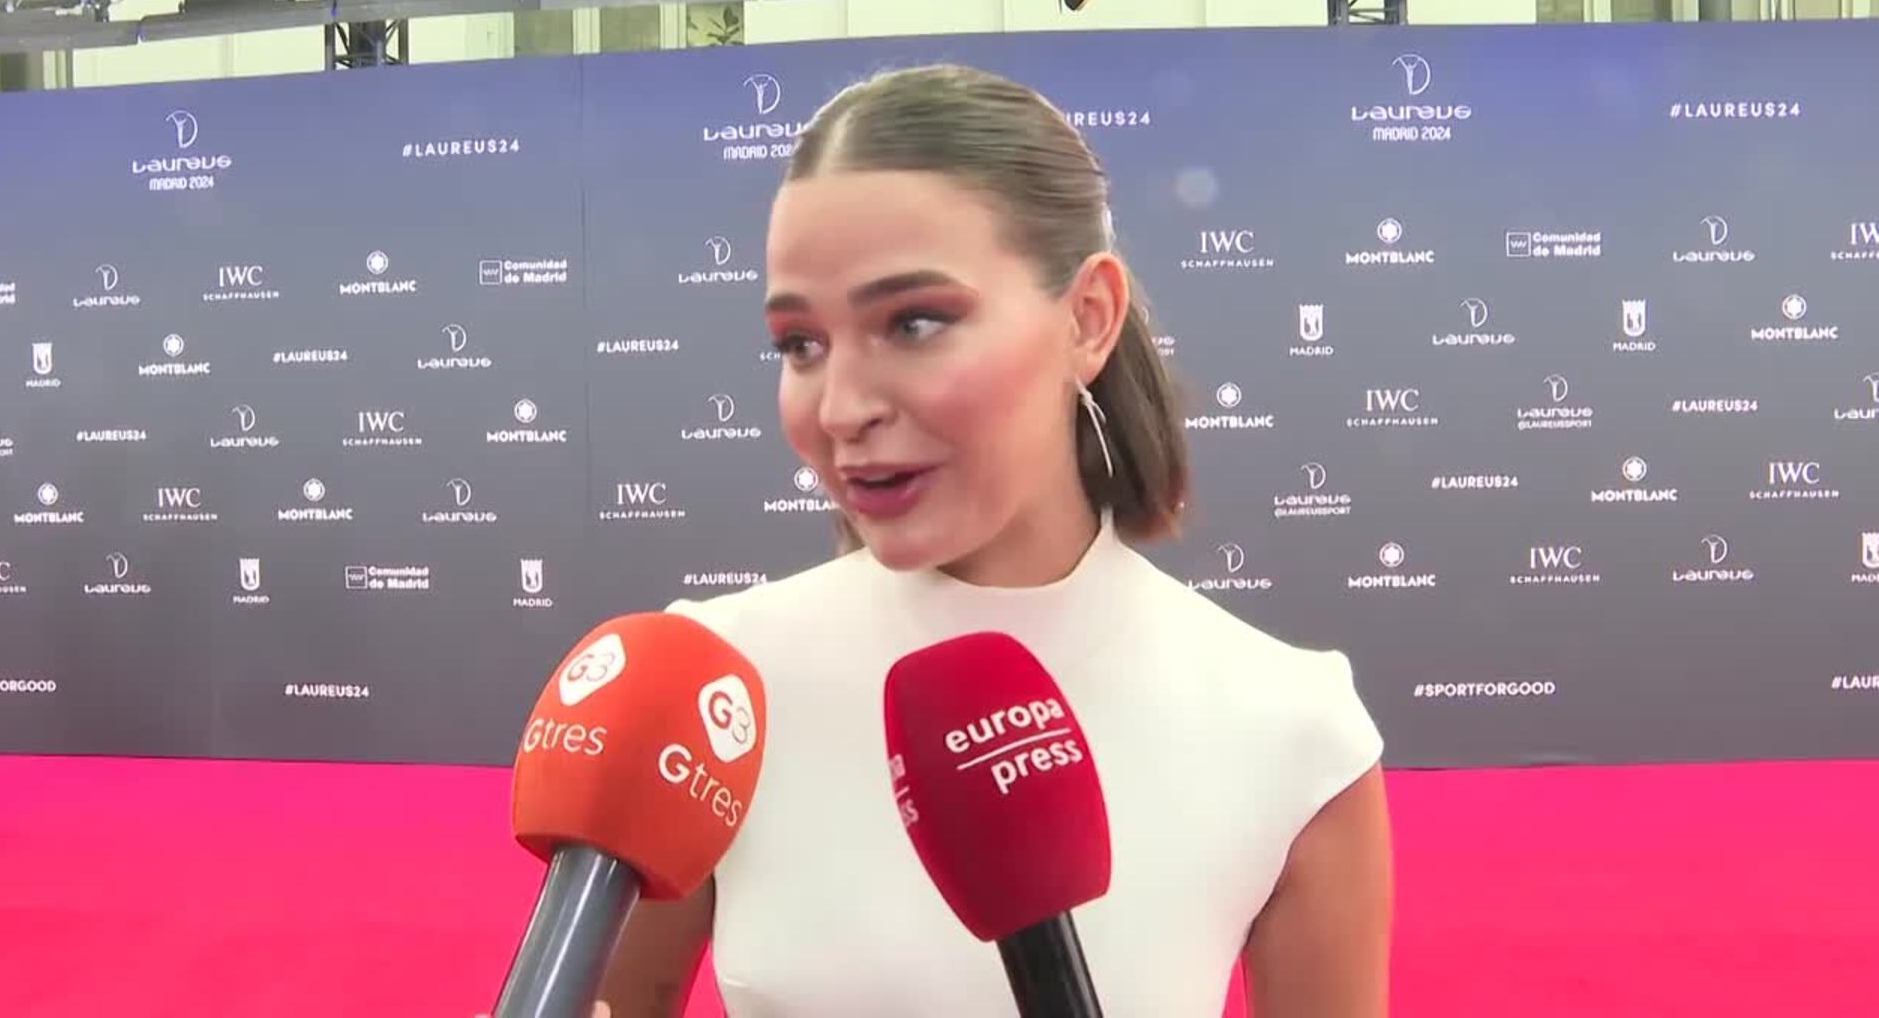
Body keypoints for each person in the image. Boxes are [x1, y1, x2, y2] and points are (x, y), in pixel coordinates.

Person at [593, 63, 1392, 1018]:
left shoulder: (1293, 729)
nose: (840, 409)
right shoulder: (708, 691)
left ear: (1087, 319)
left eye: (914, 322)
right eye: (800, 344)